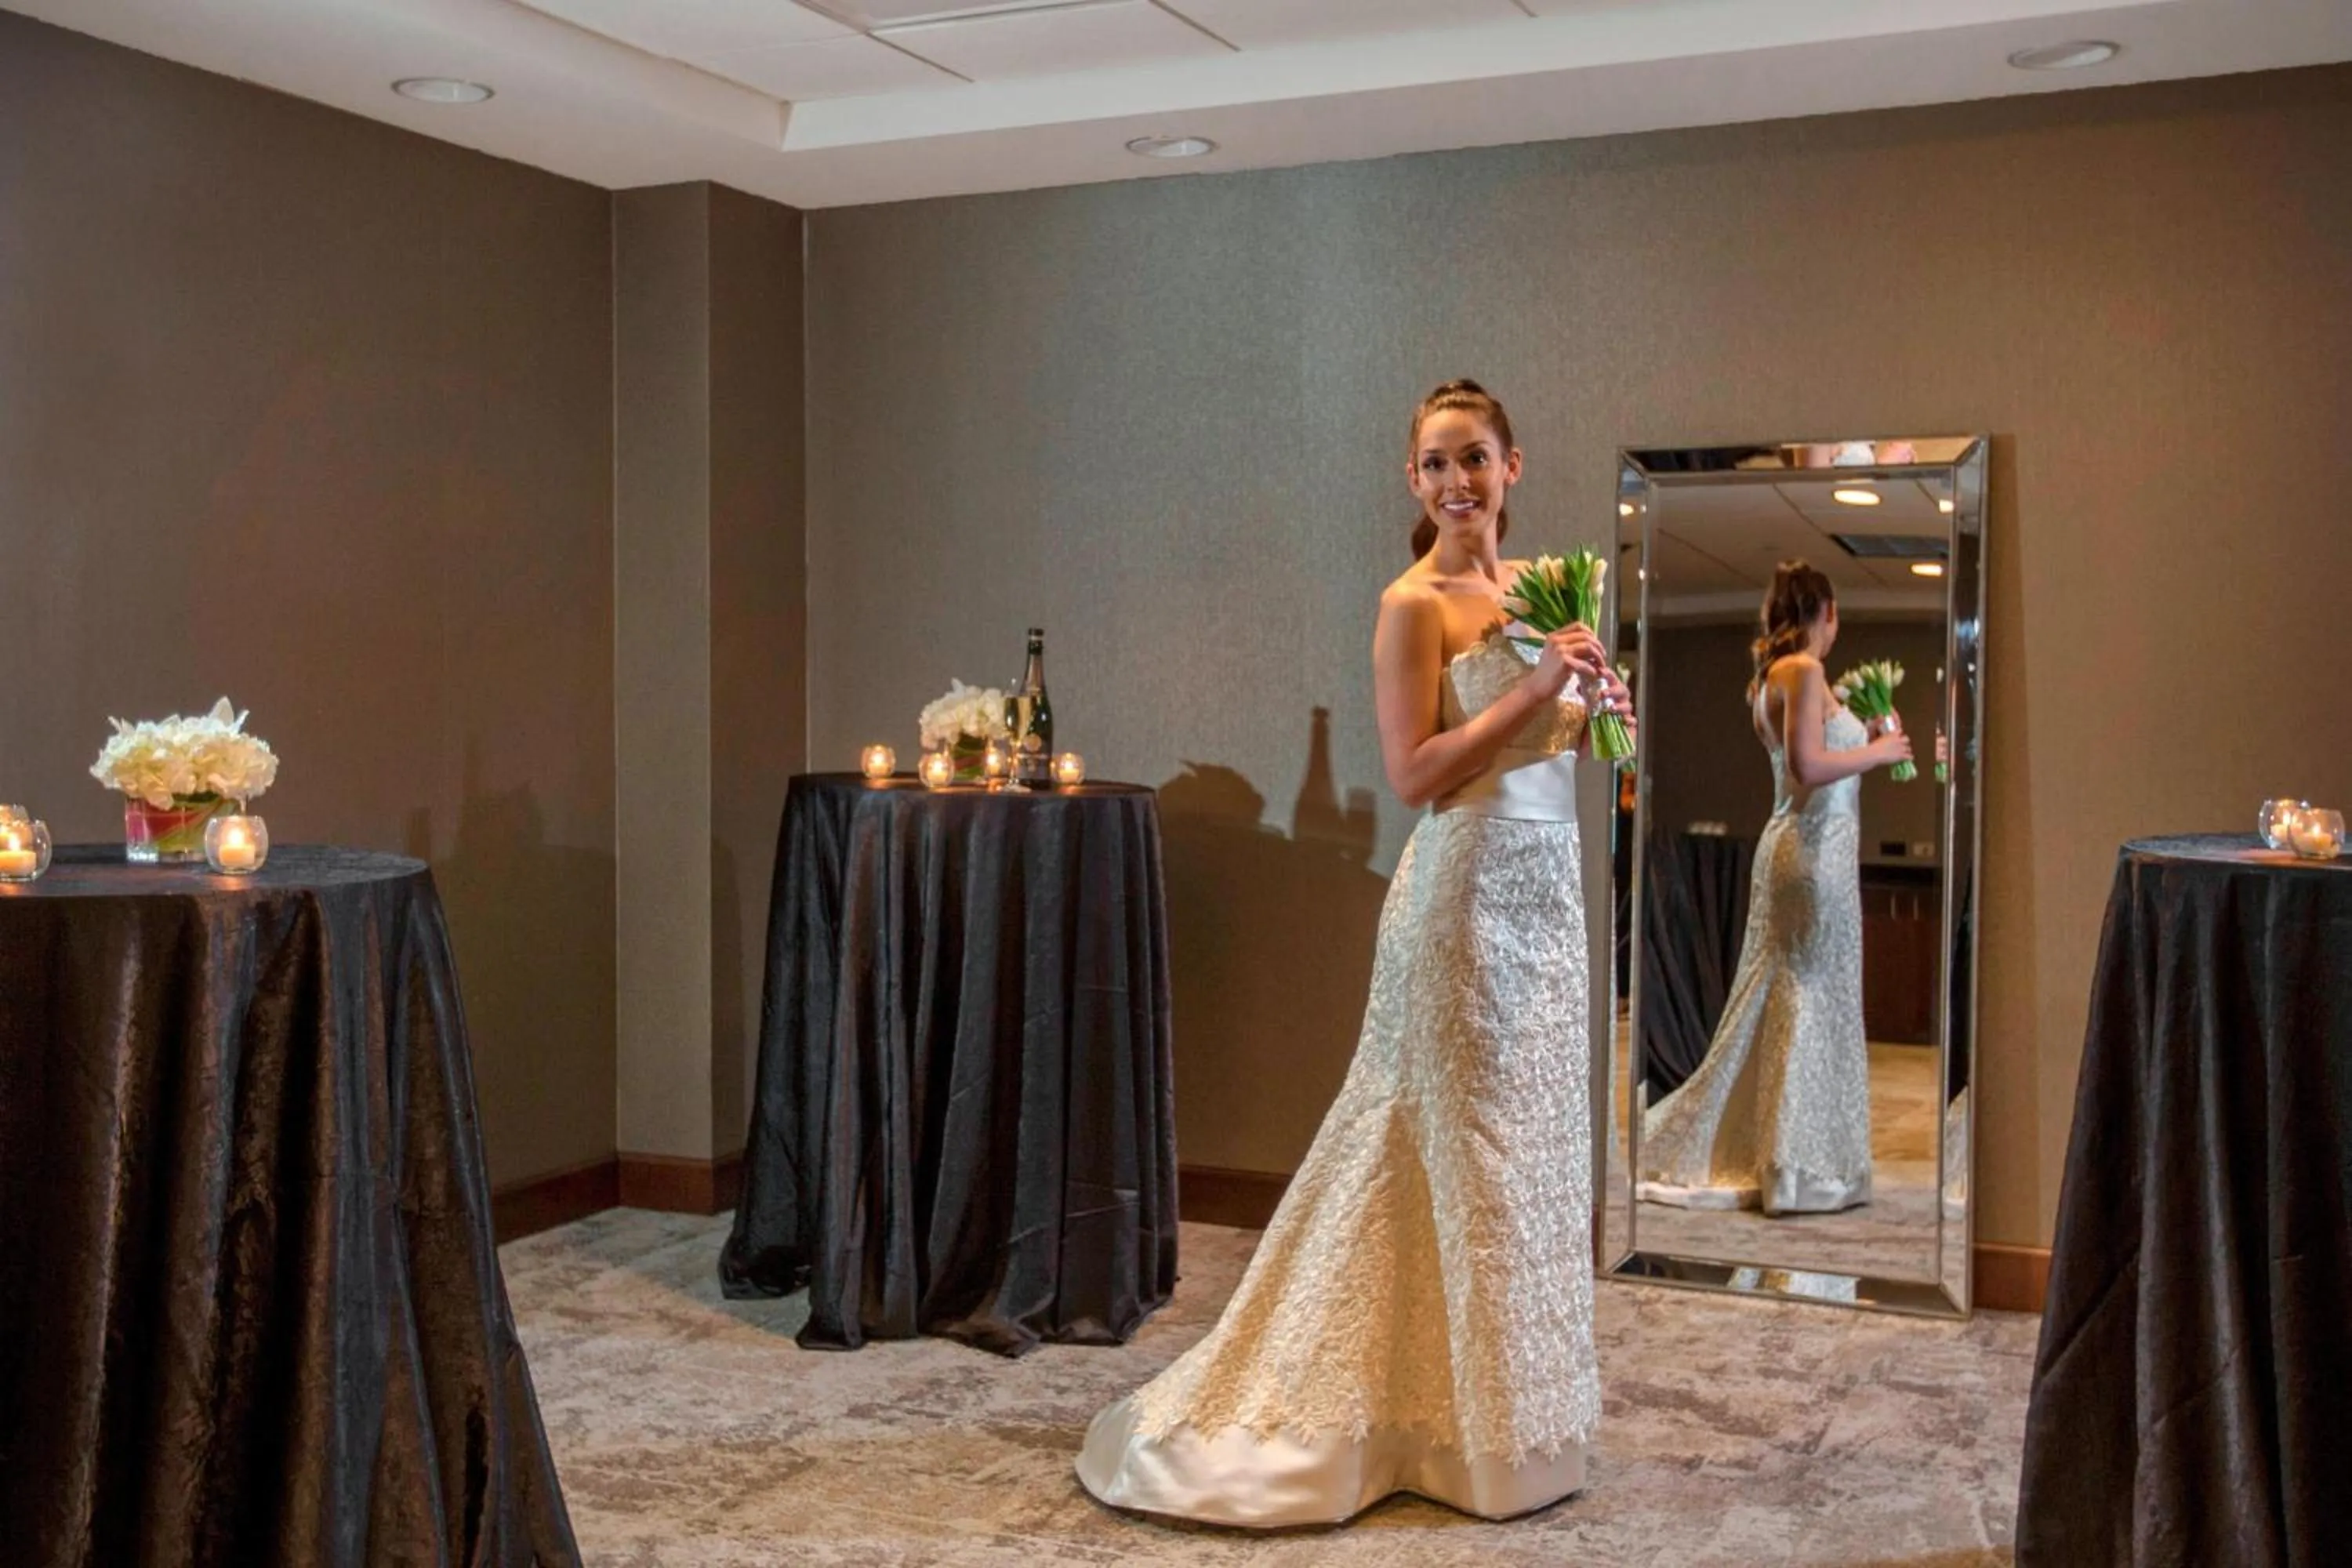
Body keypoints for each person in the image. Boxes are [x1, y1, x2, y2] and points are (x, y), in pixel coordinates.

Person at [1076, 379, 1632, 1527]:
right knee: (1459, 1152)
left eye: (1474, 459)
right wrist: (1534, 686)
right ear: (1413, 482)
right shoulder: (1410, 603)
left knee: (1529, 1161)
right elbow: (1416, 776)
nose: (1456, 483)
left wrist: (1603, 704)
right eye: (1434, 465)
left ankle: (1516, 1433)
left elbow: (1577, 757)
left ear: (1514, 467)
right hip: (1464, 902)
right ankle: (1440, 1438)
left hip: (1551, 906)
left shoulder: (1547, 591)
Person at [1636, 562, 1910, 1216]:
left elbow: (1817, 763)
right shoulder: (1805, 672)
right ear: (1829, 612)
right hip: (1812, 852)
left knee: (1793, 992)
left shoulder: (1771, 678)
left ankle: (1801, 1156)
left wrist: (1867, 738)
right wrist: (1882, 752)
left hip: (1809, 848)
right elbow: (1808, 768)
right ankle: (1797, 1166)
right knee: (1808, 996)